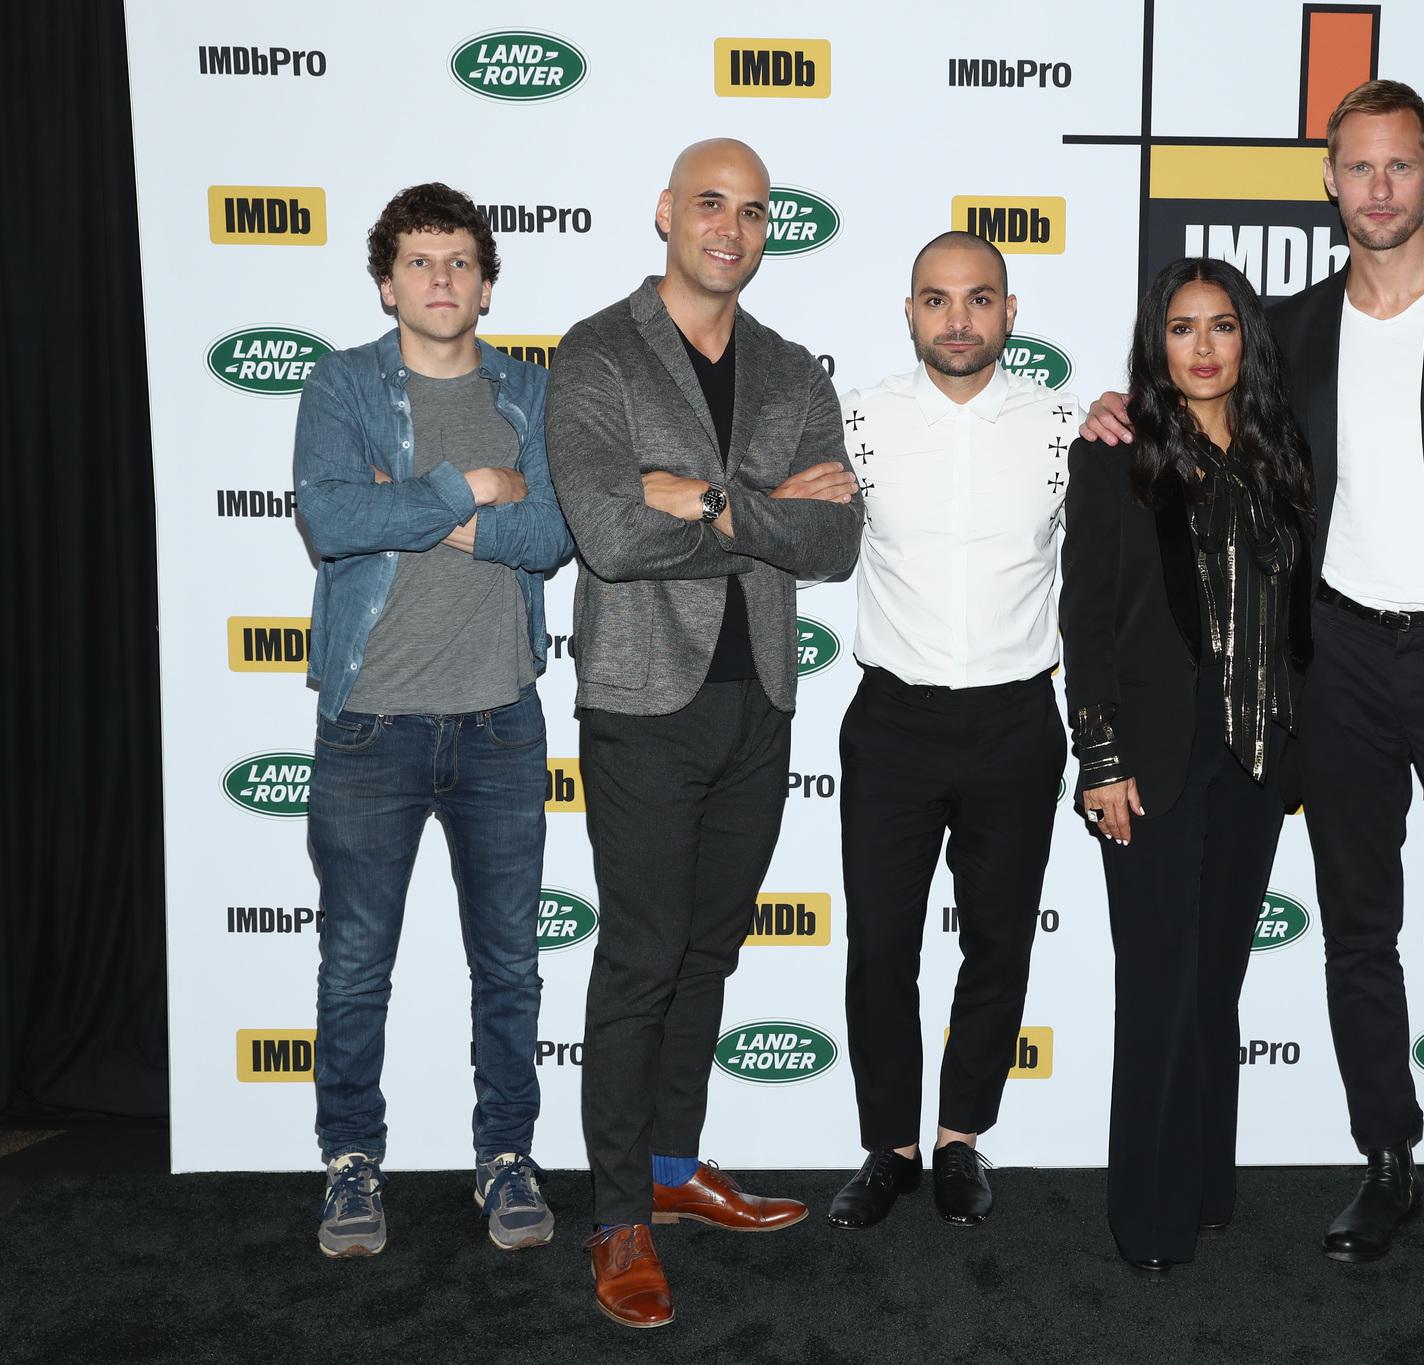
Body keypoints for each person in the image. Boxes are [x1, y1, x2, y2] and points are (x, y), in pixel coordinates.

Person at [1083, 79, 1424, 1298]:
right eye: (1354, 168)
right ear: (1328, 181)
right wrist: (1116, 406)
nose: (1376, 188)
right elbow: (1193, 407)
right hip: (1342, 666)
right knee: (1358, 936)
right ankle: (1387, 1159)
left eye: (1397, 166)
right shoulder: (1293, 327)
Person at [545, 138, 864, 1330]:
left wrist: (703, 493)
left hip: (759, 700)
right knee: (639, 955)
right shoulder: (595, 352)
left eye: (754, 210)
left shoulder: (788, 369)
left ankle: (675, 1171)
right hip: (638, 701)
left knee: (708, 951)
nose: (732, 226)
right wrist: (768, 509)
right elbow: (611, 537)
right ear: (667, 214)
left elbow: (834, 549)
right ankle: (618, 1211)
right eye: (711, 204)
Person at [294, 182, 575, 1259]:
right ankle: (351, 1164)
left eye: (459, 262)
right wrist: (467, 487)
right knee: (356, 962)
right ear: (386, 282)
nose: (441, 279)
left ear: (487, 283)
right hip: (370, 725)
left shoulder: (530, 392)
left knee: (508, 964)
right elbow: (329, 517)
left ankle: (506, 1157)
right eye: (419, 262)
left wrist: (417, 506)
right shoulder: (340, 383)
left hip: (500, 724)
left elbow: (548, 535)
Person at [1061, 257, 1315, 1274]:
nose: (1202, 347)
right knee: (1160, 989)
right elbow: (1084, 617)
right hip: (1154, 765)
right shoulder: (1115, 456)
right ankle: (1150, 1221)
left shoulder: (1285, 454)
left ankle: (1209, 1183)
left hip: (1256, 759)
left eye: (1219, 326)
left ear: (1245, 339)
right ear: (1154, 344)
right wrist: (1100, 754)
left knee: (1215, 988)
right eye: (1179, 328)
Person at [826, 232, 1073, 1232]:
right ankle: (888, 1147)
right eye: (936, 300)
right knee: (881, 945)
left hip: (1017, 721)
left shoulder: (1065, 427)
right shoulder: (857, 422)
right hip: (893, 721)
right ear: (909, 311)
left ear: (1009, 313)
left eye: (978, 300)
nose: (957, 320)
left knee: (998, 943)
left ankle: (959, 1139)